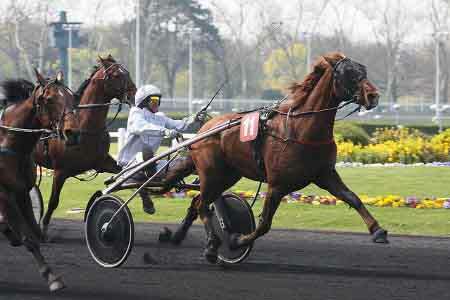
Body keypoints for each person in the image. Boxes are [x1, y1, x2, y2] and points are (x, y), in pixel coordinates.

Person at [117, 84, 205, 214]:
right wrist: (164, 132)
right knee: (146, 153)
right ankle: (145, 192)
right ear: (144, 101)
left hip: (151, 162)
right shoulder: (136, 113)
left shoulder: (160, 117)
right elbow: (141, 127)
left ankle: (199, 177)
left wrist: (194, 118)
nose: (156, 103)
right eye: (153, 100)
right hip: (130, 165)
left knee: (183, 162)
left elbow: (178, 125)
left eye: (158, 100)